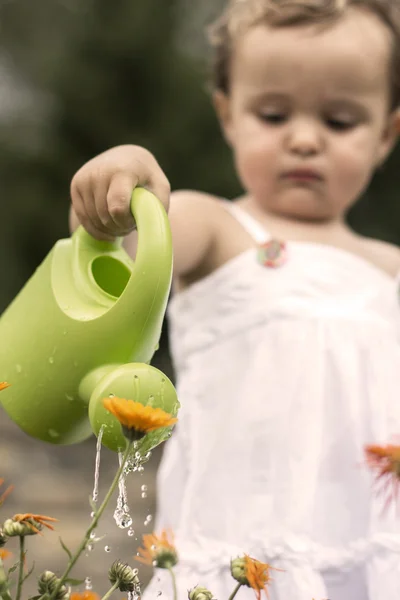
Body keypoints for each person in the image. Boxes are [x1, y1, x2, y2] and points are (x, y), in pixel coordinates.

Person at [69, 1, 400, 598]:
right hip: (241, 543)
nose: (303, 139)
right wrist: (117, 192)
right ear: (228, 115)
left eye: (342, 120)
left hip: (368, 547)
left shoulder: (390, 268)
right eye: (273, 114)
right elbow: (123, 256)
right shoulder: (216, 227)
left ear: (386, 133)